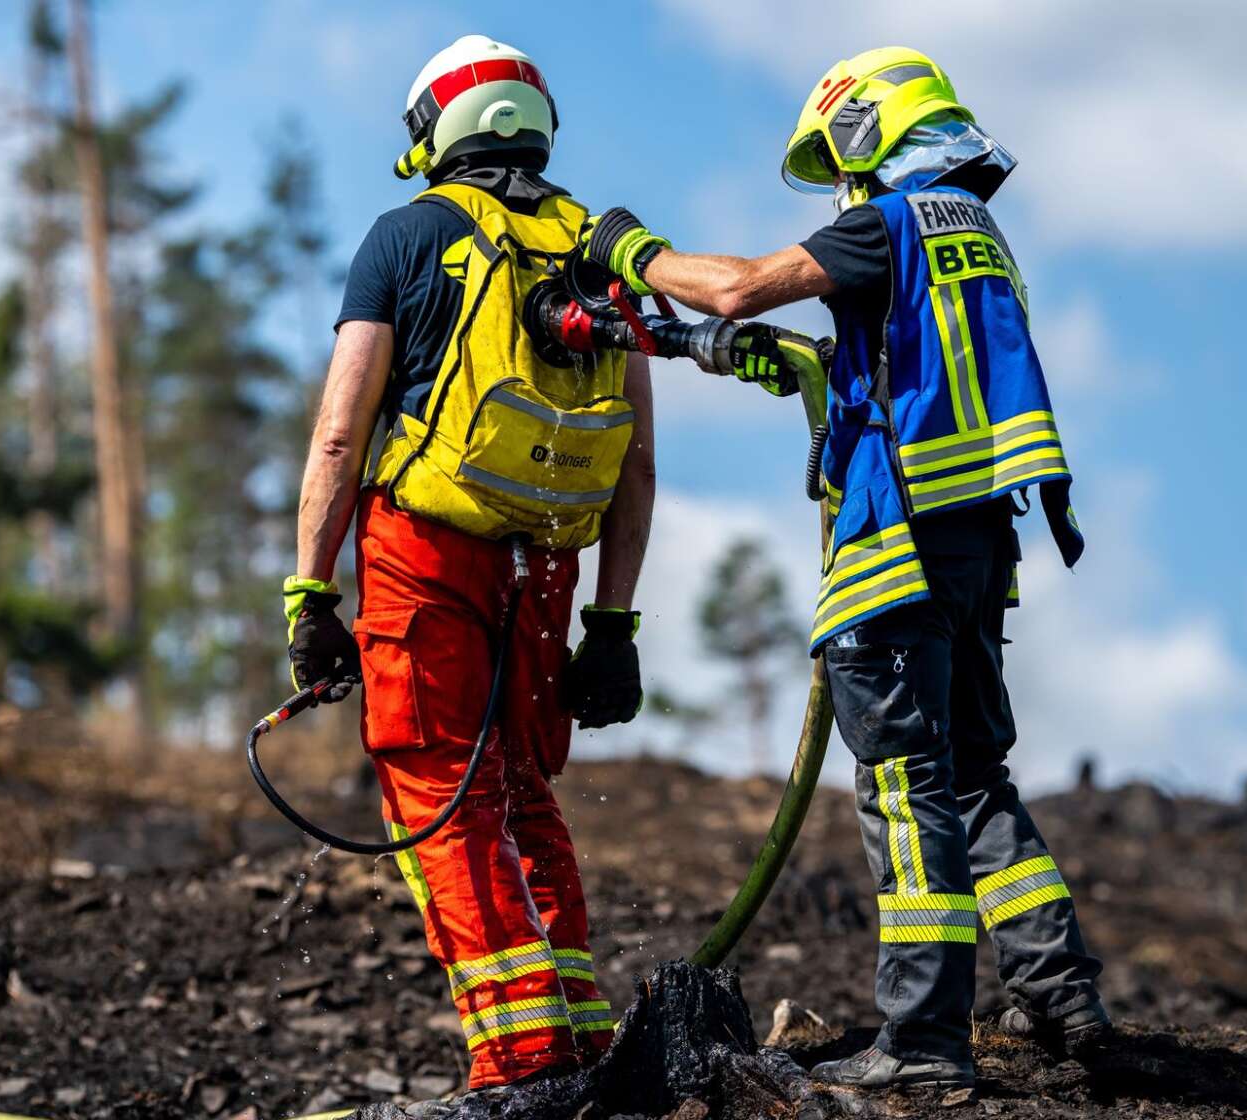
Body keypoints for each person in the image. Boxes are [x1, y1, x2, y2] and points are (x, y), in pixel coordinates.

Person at [579, 46, 1108, 1090]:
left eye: (841, 157)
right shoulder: (977, 231)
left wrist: (633, 252)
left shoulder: (887, 223)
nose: (840, 184)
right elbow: (911, 366)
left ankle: (922, 1043)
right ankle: (1060, 993)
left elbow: (738, 289)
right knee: (974, 772)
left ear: (870, 129)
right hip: (978, 543)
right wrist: (784, 360)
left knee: (904, 788)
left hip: (897, 548)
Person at [286, 34, 655, 1094]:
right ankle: (580, 1037)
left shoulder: (406, 237)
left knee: (439, 785)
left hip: (424, 553)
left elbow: (339, 436)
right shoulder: (599, 245)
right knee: (520, 786)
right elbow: (635, 465)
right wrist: (612, 625)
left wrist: (311, 594)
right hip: (547, 563)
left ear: (436, 129)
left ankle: (521, 1061)